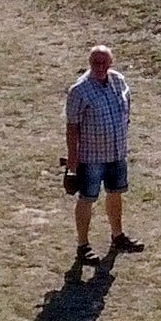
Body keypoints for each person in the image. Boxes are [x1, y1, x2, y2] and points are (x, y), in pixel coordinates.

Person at [63, 43, 135, 266]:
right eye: (96, 62)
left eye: (104, 62)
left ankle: (117, 236)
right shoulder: (79, 91)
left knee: (115, 194)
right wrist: (73, 163)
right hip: (91, 157)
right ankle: (83, 246)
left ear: (111, 63)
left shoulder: (119, 81)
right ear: (89, 63)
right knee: (87, 199)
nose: (100, 66)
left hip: (116, 152)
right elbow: (72, 127)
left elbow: (126, 109)